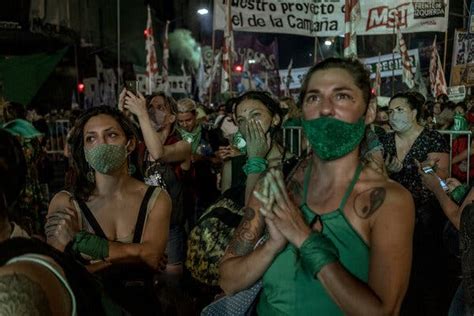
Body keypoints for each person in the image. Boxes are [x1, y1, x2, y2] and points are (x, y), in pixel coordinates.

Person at [219, 58, 415, 315]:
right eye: (314, 98)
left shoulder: (389, 200)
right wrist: (272, 245)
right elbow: (228, 280)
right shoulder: (276, 184)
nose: (325, 109)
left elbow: (383, 312)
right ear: (303, 113)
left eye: (341, 96)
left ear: (368, 113)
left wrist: (304, 239)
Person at [45, 106, 171, 315]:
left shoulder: (155, 198)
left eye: (111, 135)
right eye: (91, 139)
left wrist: (83, 242)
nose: (101, 144)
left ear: (129, 144)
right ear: (84, 150)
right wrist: (135, 252)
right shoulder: (66, 202)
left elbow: (152, 256)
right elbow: (56, 272)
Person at [381, 91, 453, 314]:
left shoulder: (433, 139)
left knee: (423, 273)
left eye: (400, 110)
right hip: (390, 215)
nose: (394, 115)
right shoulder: (384, 141)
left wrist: (426, 171)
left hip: (425, 216)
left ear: (413, 112)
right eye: (391, 111)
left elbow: (442, 180)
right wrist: (385, 170)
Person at [122, 90, 193, 314]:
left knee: (172, 287)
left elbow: (159, 153)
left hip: (171, 228)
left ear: (173, 118)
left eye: (160, 107)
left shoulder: (183, 146)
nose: (152, 111)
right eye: (150, 106)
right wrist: (122, 111)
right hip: (145, 228)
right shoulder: (140, 147)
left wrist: (142, 114)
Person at [176, 98, 220, 226]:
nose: (185, 125)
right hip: (180, 192)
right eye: (181, 121)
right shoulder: (173, 135)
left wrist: (203, 158)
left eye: (188, 120)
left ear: (195, 115)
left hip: (205, 190)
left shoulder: (210, 133)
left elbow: (220, 161)